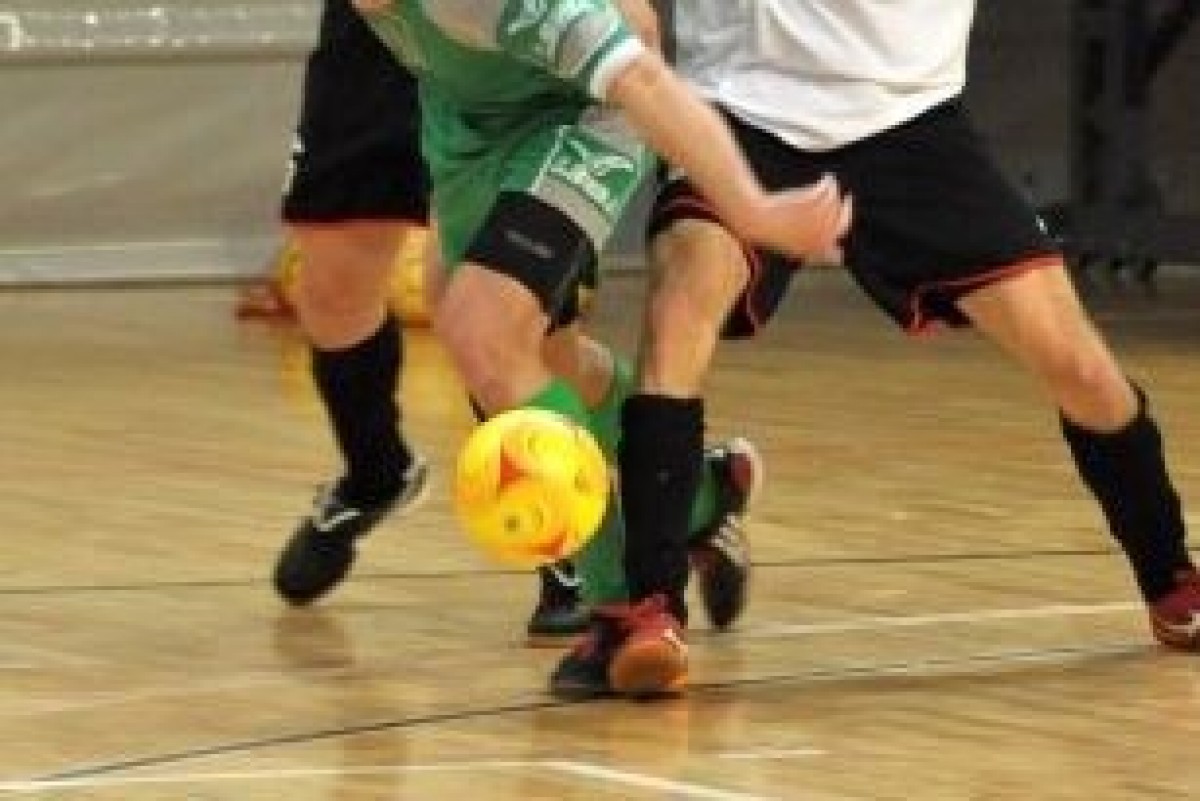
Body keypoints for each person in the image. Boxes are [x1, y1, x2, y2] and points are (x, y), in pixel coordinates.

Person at [554, 0, 1200, 696]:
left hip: (912, 120)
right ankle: (649, 608)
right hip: (740, 111)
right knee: (679, 309)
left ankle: (1170, 577)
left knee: (1080, 367)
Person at [352, 0, 851, 696]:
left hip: (582, 116)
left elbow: (641, 76)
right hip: (471, 127)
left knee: (483, 330)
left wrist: (752, 209)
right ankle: (704, 494)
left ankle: (624, 609)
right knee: (536, 361)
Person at [270, 0, 764, 647]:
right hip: (453, 92)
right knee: (473, 326)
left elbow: (635, 62)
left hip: (563, 91)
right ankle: (691, 491)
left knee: (493, 330)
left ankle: (610, 590)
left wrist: (756, 208)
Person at [270, 0, 588, 641]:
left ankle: (571, 541)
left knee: (505, 320)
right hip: (377, 34)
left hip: (503, 37)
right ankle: (375, 473)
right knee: (329, 290)